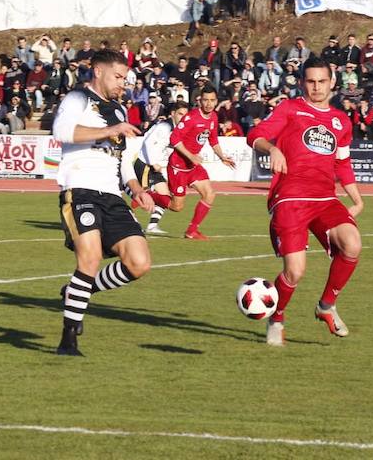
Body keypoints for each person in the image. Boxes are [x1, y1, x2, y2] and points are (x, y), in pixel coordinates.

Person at [246, 57, 364, 344]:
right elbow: (256, 135)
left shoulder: (341, 121)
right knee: (295, 271)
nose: (317, 87)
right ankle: (277, 317)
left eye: (322, 81)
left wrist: (357, 200)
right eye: (310, 81)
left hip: (325, 198)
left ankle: (326, 306)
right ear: (301, 83)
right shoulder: (290, 108)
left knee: (353, 243)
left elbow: (343, 164)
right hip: (291, 198)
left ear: (332, 82)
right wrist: (272, 149)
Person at [51, 49, 156, 356]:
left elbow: (123, 160)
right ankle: (68, 338)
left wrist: (137, 188)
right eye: (119, 76)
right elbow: (61, 132)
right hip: (80, 190)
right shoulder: (77, 99)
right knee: (90, 258)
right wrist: (110, 130)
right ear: (98, 72)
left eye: (125, 77)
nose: (123, 83)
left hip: (113, 196)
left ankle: (75, 292)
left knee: (139, 263)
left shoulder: (120, 112)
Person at [166, 85, 236, 240]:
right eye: (205, 100)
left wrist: (221, 156)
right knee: (177, 207)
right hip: (178, 165)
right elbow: (174, 139)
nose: (208, 104)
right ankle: (151, 196)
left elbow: (213, 140)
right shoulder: (191, 117)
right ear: (200, 101)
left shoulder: (213, 117)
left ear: (216, 101)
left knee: (209, 194)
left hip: (193, 166)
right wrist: (191, 156)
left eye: (212, 100)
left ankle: (191, 231)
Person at [128, 102, 190, 235]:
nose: (183, 118)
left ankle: (152, 226)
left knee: (166, 197)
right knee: (144, 197)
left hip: (154, 168)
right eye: (180, 114)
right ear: (172, 114)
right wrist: (153, 163)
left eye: (185, 115)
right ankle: (129, 217)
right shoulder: (164, 127)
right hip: (145, 165)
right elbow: (148, 142)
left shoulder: (175, 129)